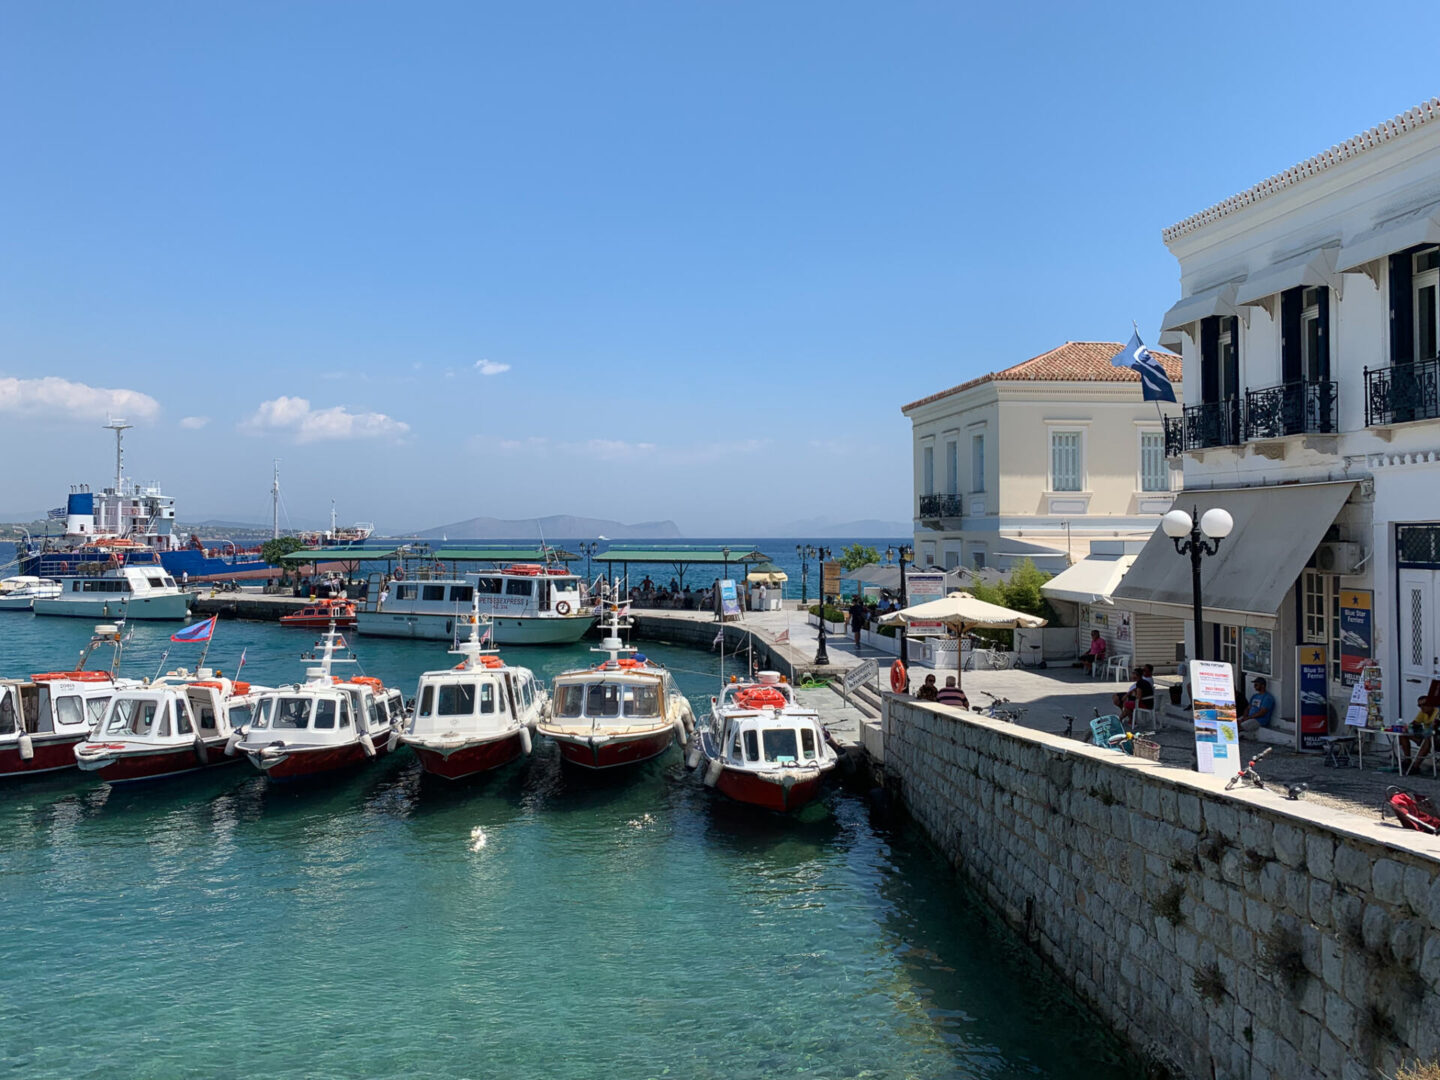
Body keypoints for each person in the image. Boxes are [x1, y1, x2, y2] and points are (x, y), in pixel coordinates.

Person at [1398, 696, 1439, 773]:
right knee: (1403, 734)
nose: (1422, 707)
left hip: (1436, 737)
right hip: (1426, 735)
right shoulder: (1423, 713)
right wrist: (1407, 728)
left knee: (1428, 739)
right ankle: (1407, 760)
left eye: (1424, 705)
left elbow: (1435, 728)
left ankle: (1416, 766)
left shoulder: (1437, 713)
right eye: (1420, 706)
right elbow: (1414, 723)